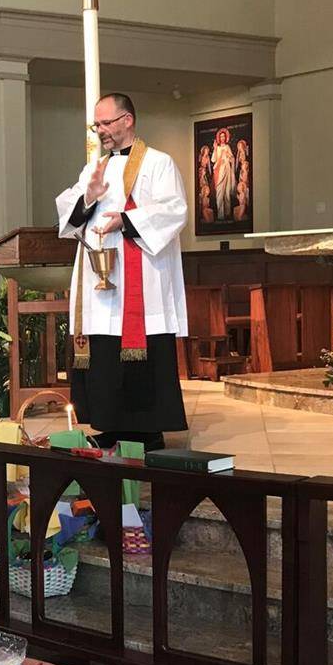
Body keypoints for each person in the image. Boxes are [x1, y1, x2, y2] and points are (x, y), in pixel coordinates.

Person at [55, 93, 188, 451]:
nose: (100, 131)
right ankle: (109, 424)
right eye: (96, 125)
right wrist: (90, 197)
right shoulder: (94, 168)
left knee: (141, 350)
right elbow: (69, 213)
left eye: (106, 123)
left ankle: (148, 430)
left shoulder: (159, 163)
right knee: (104, 352)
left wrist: (126, 220)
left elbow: (174, 210)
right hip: (100, 281)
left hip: (140, 275)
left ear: (127, 120)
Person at [212, 128, 235, 220]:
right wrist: (214, 149)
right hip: (219, 170)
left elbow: (232, 158)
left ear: (226, 138)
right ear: (219, 138)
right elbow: (213, 160)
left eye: (224, 137)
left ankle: (227, 213)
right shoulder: (217, 148)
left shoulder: (227, 147)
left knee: (227, 192)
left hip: (227, 170)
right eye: (221, 137)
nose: (222, 138)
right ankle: (220, 215)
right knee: (219, 192)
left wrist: (229, 156)